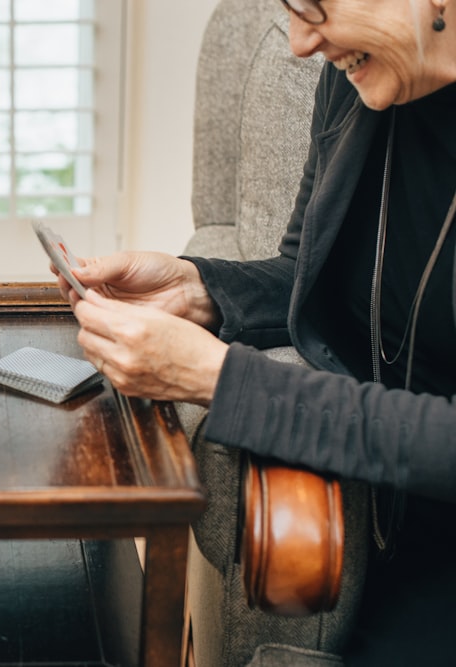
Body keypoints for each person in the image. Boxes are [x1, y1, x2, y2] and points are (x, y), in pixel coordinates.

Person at [55, 0, 456, 664]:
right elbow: (306, 273)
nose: (297, 43)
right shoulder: (358, 84)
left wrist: (222, 380)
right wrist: (196, 288)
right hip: (386, 524)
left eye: (315, 7)